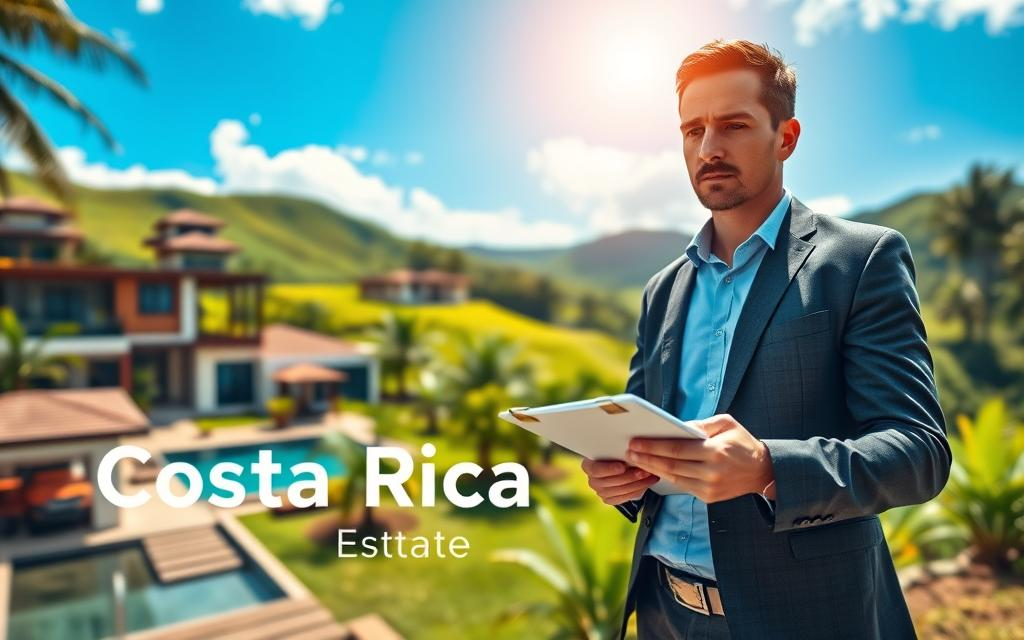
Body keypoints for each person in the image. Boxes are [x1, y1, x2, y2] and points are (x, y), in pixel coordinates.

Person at [580, 39, 952, 640]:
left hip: (804, 618)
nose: (709, 149)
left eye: (734, 125)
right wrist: (620, 480)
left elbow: (918, 454)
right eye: (692, 129)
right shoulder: (661, 291)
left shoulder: (860, 261)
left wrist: (768, 468)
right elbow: (641, 432)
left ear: (786, 137)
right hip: (664, 613)